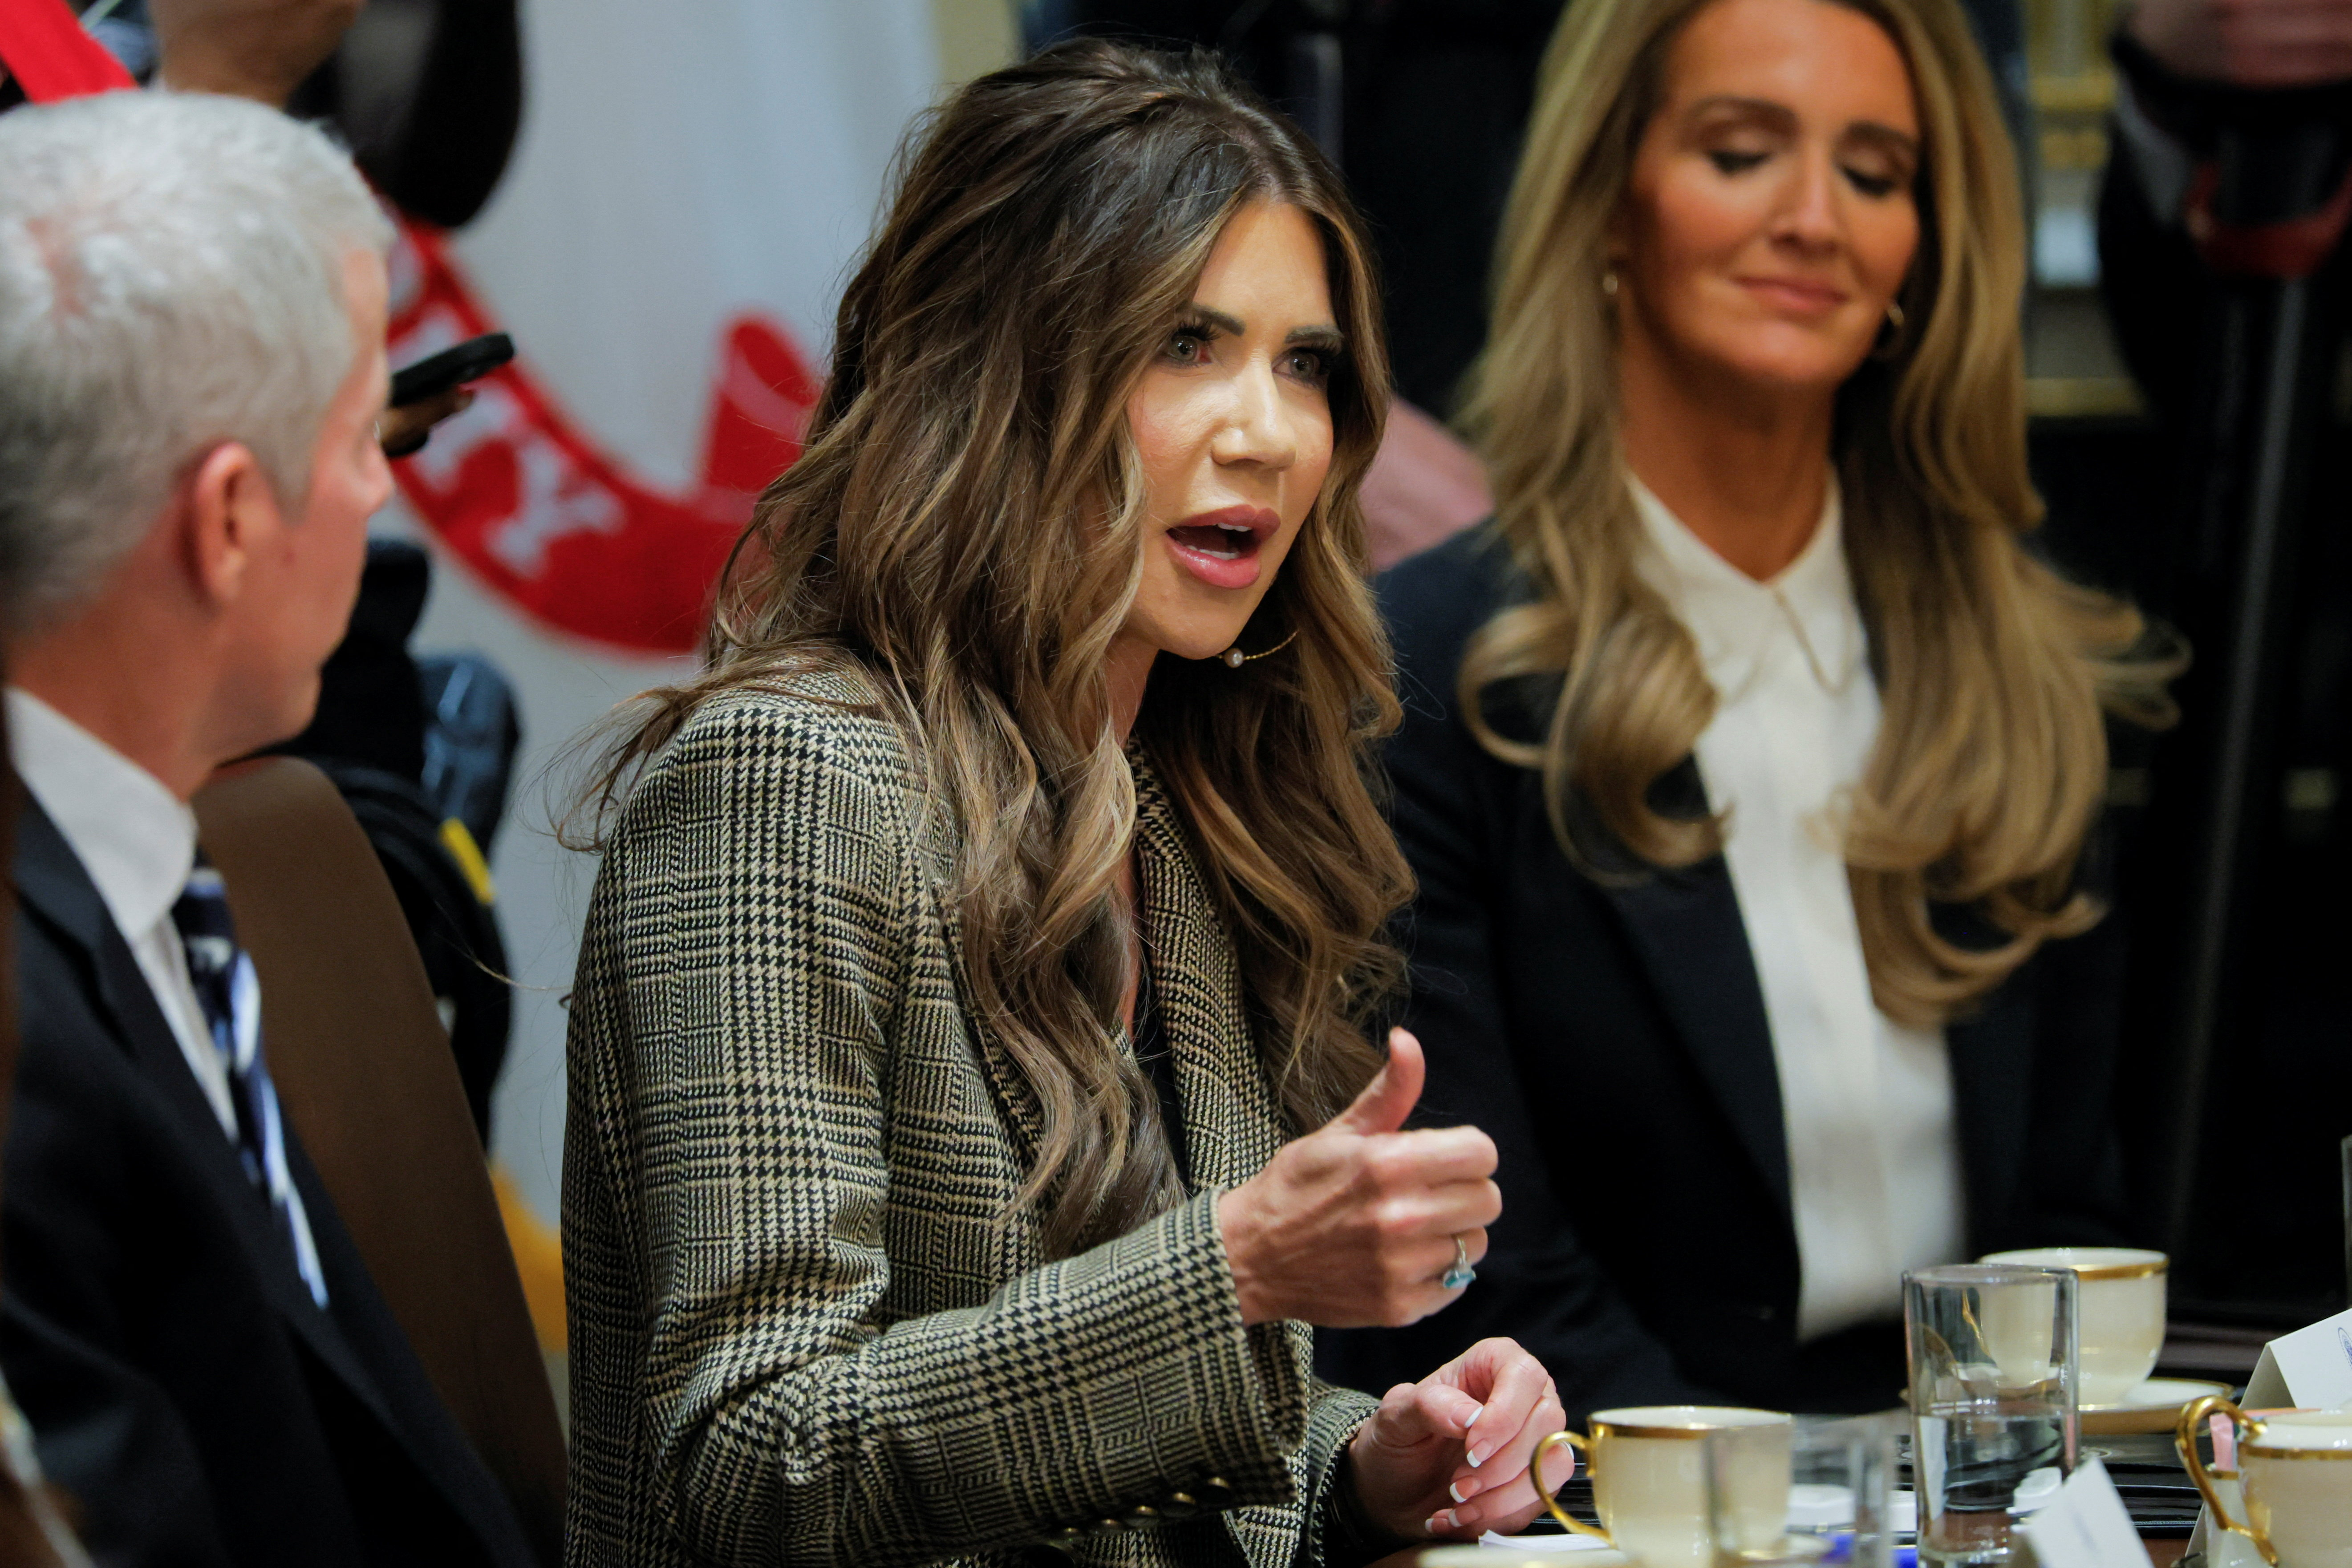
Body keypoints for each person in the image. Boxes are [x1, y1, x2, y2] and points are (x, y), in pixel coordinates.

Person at [564, 41, 1570, 1568]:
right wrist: (1231, 1272)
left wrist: (1363, 1464)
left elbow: (1115, 1443)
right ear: (996, 371)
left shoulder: (1172, 799)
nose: (1268, 430)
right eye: (1184, 343)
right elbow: (760, 1462)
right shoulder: (783, 783)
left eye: (1304, 363)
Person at [1315, 0, 2178, 1419]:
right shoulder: (1425, 675)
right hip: (1608, 1496)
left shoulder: (2027, 673)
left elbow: (2072, 1236)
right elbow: (1471, 1271)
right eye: (1739, 151)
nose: (1812, 218)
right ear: (1607, 203)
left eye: (1875, 173)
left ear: (1920, 248)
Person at [0, 90, 535, 1566]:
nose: (381, 489)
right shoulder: (17, 1038)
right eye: (368, 433)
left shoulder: (147, 870)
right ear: (229, 517)